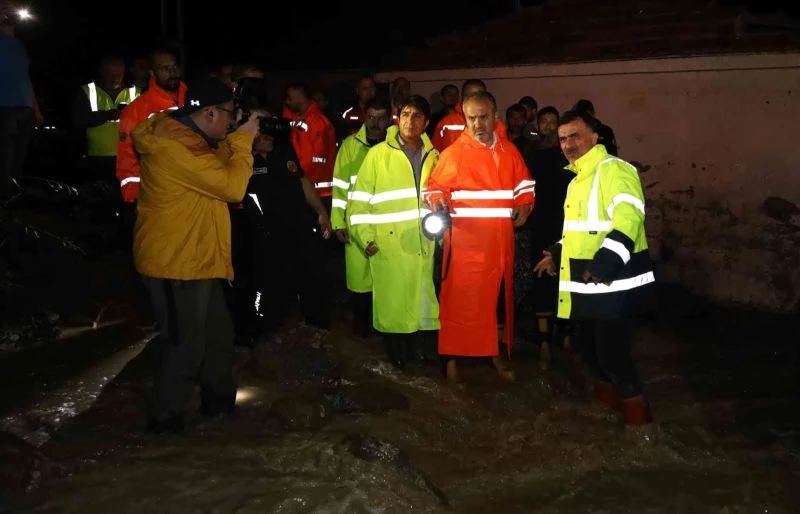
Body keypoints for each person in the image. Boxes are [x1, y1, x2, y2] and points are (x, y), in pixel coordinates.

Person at [131, 77, 261, 434]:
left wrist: (236, 138)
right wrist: (245, 141)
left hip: (199, 258)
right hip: (175, 263)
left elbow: (218, 166)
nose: (234, 120)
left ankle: (218, 404)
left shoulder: (192, 139)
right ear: (209, 113)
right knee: (185, 344)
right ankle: (164, 420)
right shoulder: (175, 149)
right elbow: (232, 186)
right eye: (231, 115)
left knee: (218, 335)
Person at [534, 109, 655, 427]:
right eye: (562, 138)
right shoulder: (577, 180)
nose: (568, 144)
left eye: (574, 135)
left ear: (594, 136)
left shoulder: (614, 170)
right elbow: (582, 232)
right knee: (594, 357)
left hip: (614, 287)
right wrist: (557, 254)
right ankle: (608, 420)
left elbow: (629, 218)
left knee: (615, 360)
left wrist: (603, 264)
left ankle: (641, 435)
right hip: (588, 288)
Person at [425, 91, 534, 385]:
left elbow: (525, 184)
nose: (477, 124)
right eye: (471, 118)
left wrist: (525, 203)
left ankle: (493, 354)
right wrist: (439, 203)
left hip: (499, 245)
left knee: (495, 302)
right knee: (458, 302)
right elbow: (433, 189)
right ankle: (450, 360)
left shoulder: (509, 152)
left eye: (483, 117)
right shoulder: (454, 154)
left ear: (495, 117)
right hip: (465, 245)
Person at [347, 95, 440, 369]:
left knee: (421, 302)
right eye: (406, 114)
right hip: (388, 244)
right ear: (398, 117)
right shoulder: (378, 155)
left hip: (423, 243)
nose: (410, 121)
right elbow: (358, 202)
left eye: (418, 116)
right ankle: (396, 357)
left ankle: (417, 355)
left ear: (426, 122)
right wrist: (366, 240)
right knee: (392, 305)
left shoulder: (435, 156)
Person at [243, 123, 334, 334]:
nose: (268, 138)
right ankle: (266, 327)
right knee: (270, 284)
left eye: (269, 133)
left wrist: (321, 212)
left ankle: (318, 325)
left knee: (313, 276)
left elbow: (302, 180)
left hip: (299, 225)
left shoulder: (283, 149)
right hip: (265, 232)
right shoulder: (242, 157)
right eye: (261, 133)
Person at [331, 96, 392, 337]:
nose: (375, 123)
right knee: (359, 278)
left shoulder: (395, 145)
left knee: (386, 276)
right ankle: (361, 322)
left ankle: (384, 324)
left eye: (380, 118)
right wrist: (338, 222)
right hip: (357, 222)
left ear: (389, 118)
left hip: (387, 221)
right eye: (371, 117)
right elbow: (339, 186)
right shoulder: (350, 145)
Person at [116, 48, 187, 204]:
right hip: (159, 195)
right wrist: (134, 196)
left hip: (197, 189)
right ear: (152, 73)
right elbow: (128, 157)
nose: (172, 72)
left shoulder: (195, 99)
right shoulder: (136, 111)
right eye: (165, 68)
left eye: (175, 66)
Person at [72, 55, 140, 184]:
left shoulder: (135, 92)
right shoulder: (88, 91)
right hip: (98, 158)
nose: (115, 78)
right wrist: (106, 115)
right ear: (102, 71)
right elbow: (78, 120)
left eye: (118, 74)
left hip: (129, 157)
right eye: (111, 74)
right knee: (101, 198)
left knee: (127, 199)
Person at [0, 4, 42, 196]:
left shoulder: (19, 45)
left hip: (24, 109)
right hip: (5, 108)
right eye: (3, 6)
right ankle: (4, 203)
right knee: (5, 161)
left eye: (10, 7)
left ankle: (14, 203)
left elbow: (26, 78)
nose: (8, 11)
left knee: (19, 162)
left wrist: (36, 109)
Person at [282, 83, 338, 204]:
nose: (287, 101)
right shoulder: (297, 119)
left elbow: (315, 159)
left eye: (289, 97)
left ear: (298, 96)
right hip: (306, 189)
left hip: (319, 192)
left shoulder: (318, 122)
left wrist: (293, 176)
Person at [431, 79, 507, 152]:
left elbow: (503, 153)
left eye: (479, 95)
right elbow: (435, 154)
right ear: (462, 97)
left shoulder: (497, 125)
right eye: (469, 96)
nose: (474, 100)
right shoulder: (445, 123)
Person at [337, 74, 376, 139]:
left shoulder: (382, 111)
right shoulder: (347, 112)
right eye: (365, 88)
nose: (369, 92)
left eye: (371, 88)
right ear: (357, 90)